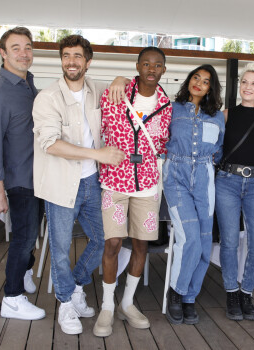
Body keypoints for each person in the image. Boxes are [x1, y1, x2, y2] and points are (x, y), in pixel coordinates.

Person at [32, 35, 126, 335]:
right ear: (61, 60)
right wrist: (98, 154)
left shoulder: (96, 90)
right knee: (60, 248)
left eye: (77, 56)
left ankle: (74, 286)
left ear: (88, 61)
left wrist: (122, 78)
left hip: (93, 183)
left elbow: (126, 84)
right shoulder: (47, 97)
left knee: (106, 239)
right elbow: (50, 143)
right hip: (61, 184)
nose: (71, 61)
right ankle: (65, 303)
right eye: (66, 55)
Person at [94, 47, 172, 337]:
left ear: (164, 70)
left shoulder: (166, 105)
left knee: (141, 245)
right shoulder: (116, 93)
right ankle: (107, 306)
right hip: (114, 181)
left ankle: (127, 303)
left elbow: (163, 144)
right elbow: (100, 128)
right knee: (112, 243)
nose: (152, 69)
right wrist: (119, 79)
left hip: (148, 185)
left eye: (158, 65)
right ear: (137, 66)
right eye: (147, 63)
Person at [0, 27, 44, 320]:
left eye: (28, 47)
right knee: (23, 237)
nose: (24, 53)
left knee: (30, 235)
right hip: (19, 180)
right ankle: (12, 297)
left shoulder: (28, 84)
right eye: (16, 48)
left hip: (38, 176)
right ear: (3, 54)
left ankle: (25, 271)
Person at [216, 63, 254, 321]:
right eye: (245, 82)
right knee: (229, 241)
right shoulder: (226, 114)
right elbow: (214, 147)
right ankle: (231, 291)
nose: (248, 87)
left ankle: (247, 292)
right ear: (239, 85)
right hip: (227, 181)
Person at [164, 64, 225, 325]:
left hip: (204, 177)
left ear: (212, 87)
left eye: (206, 81)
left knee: (203, 242)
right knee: (188, 238)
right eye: (195, 77)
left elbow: (219, 149)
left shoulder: (218, 116)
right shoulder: (172, 109)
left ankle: (189, 297)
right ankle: (175, 293)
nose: (199, 83)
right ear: (189, 80)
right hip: (175, 175)